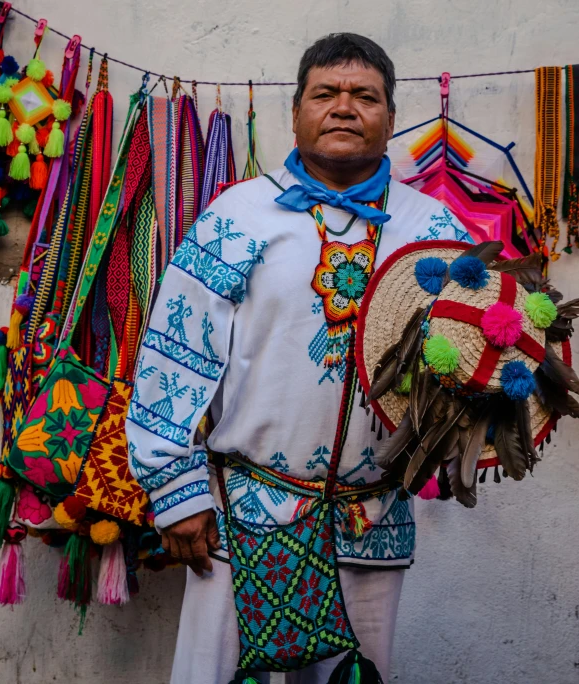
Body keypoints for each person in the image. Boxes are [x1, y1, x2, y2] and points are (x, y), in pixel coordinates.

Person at [126, 32, 471, 684]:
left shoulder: (436, 233)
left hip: (370, 525)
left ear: (390, 119)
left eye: (364, 96)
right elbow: (173, 356)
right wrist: (175, 492)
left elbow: (466, 362)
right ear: (296, 113)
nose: (344, 108)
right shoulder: (238, 218)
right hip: (245, 519)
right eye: (326, 94)